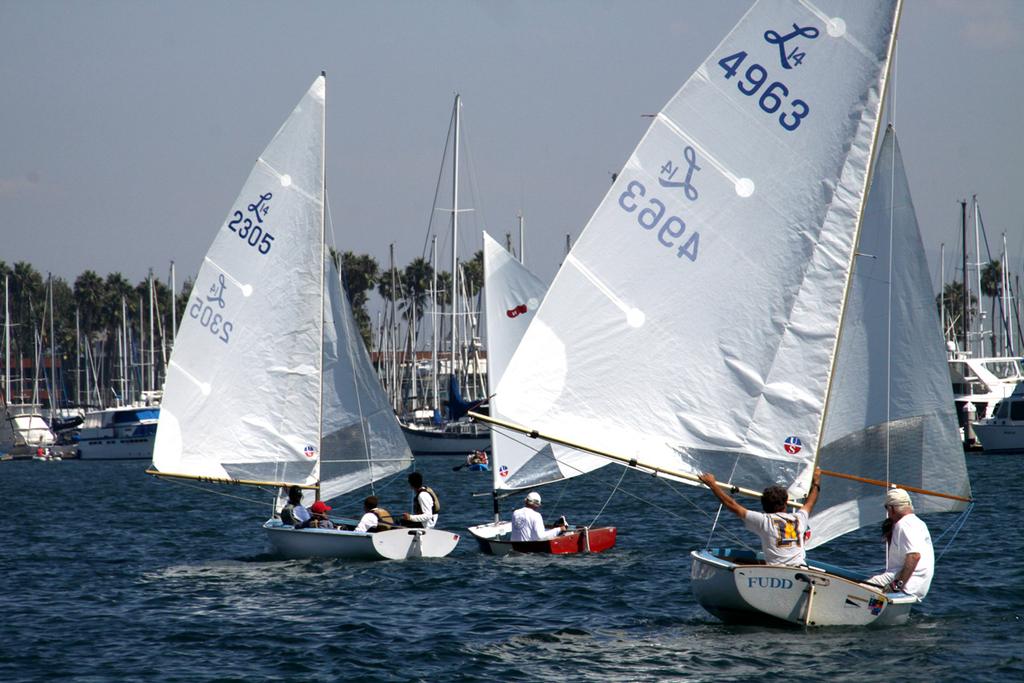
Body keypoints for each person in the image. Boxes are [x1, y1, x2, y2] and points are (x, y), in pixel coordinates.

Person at [698, 467, 822, 567]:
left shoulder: (763, 521)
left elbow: (731, 504)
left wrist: (712, 484)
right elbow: (810, 501)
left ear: (764, 506)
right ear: (785, 503)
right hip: (800, 568)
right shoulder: (799, 518)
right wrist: (816, 480)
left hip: (777, 573)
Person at [867, 487, 934, 599]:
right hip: (919, 587)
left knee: (858, 589)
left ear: (892, 508)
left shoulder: (903, 524)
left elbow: (914, 556)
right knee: (870, 590)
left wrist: (897, 585)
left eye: (886, 508)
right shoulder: (919, 523)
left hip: (905, 585)